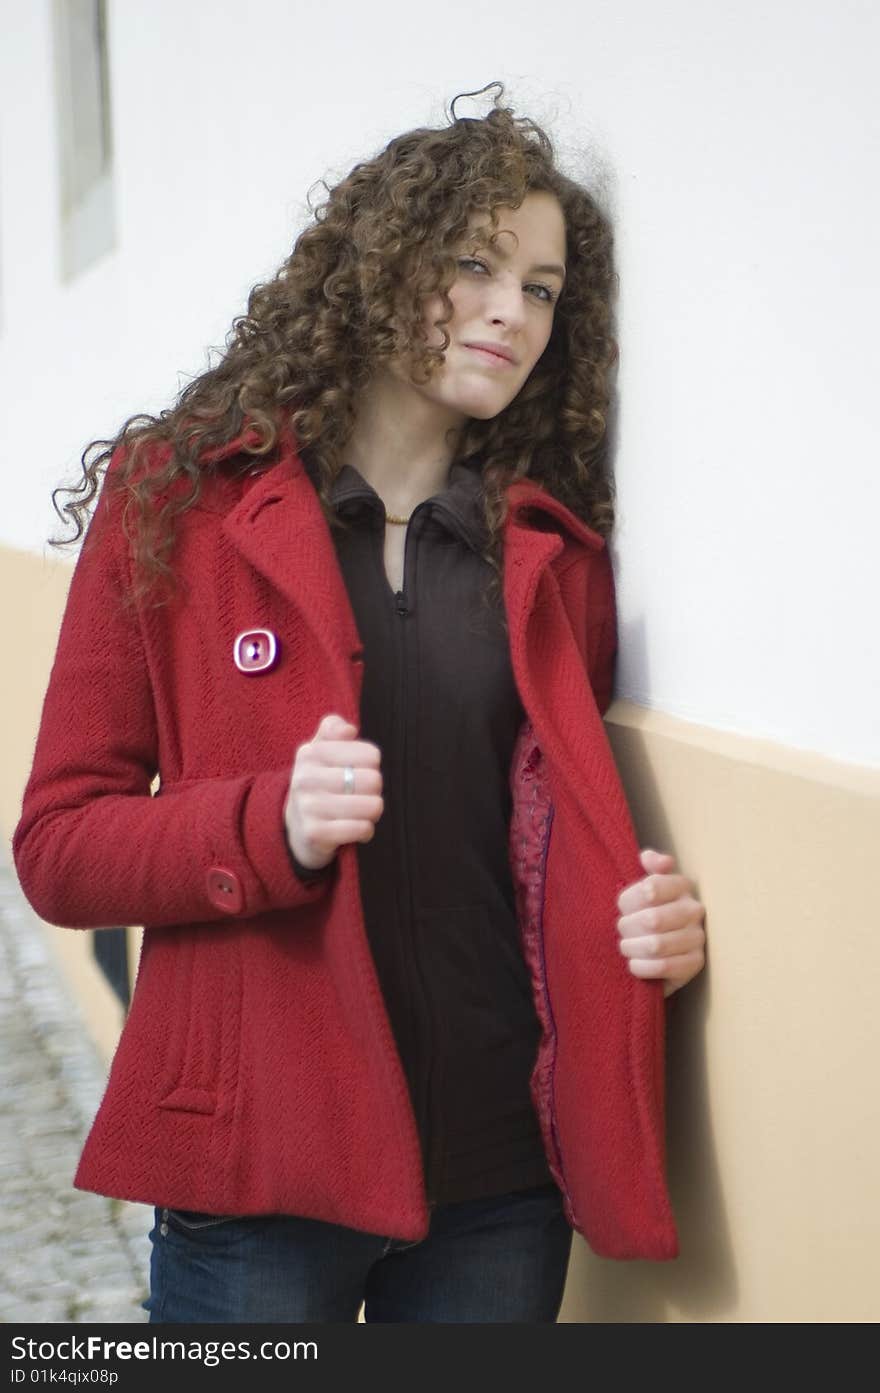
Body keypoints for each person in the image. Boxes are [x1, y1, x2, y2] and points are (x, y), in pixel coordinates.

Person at [13, 84, 706, 1324]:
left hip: (500, 1184)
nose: (511, 310)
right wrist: (264, 826)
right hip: (259, 1173)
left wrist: (641, 926)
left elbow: (542, 839)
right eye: (477, 263)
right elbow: (62, 848)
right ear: (383, 265)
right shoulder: (178, 501)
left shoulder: (553, 556)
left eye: (542, 287)